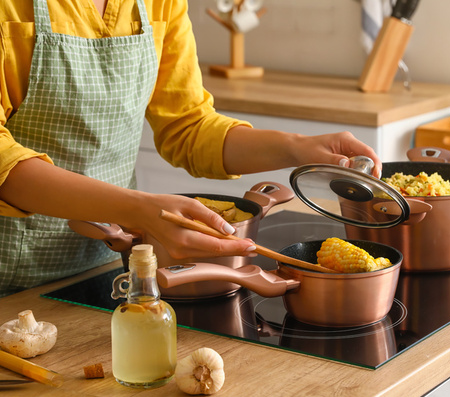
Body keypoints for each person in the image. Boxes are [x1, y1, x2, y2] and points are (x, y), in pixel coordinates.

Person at [0, 0, 381, 297]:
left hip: (111, 265)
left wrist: (296, 148)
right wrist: (138, 209)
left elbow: (188, 126)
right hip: (10, 278)